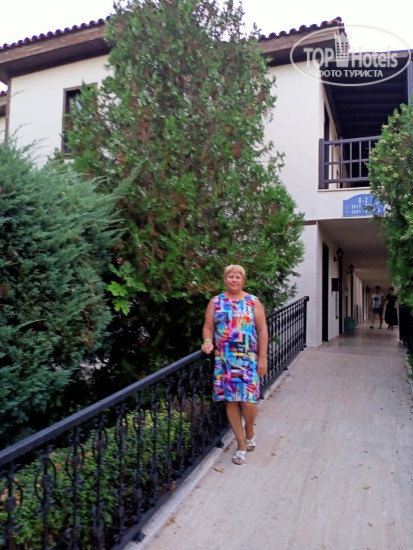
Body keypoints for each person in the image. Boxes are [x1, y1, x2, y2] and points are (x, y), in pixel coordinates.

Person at [201, 265, 268, 465]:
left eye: (238, 277)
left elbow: (262, 330)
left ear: (243, 280)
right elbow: (208, 327)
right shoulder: (216, 302)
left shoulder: (252, 301)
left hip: (248, 360)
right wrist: (207, 341)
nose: (234, 280)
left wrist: (263, 357)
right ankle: (241, 445)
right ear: (225, 279)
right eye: (231, 276)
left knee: (249, 402)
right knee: (231, 402)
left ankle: (250, 431)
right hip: (226, 361)